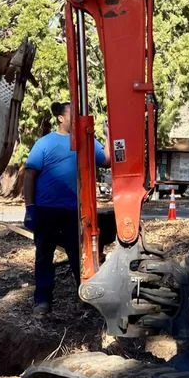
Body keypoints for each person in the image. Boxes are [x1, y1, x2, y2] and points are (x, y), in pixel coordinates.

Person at [23, 101, 109, 317]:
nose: (79, 118)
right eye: (74, 114)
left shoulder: (87, 142)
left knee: (77, 257)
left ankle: (87, 299)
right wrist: (30, 207)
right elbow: (29, 174)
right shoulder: (44, 143)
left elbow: (107, 160)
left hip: (75, 212)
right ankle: (42, 302)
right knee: (44, 256)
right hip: (46, 210)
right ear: (61, 118)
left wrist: (109, 134)